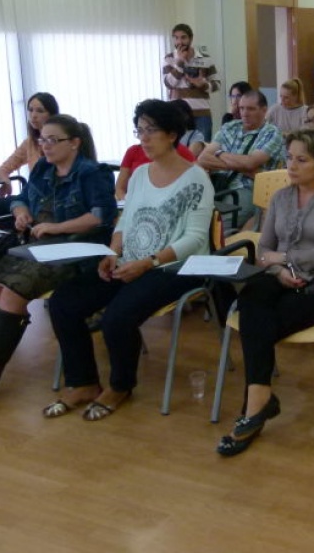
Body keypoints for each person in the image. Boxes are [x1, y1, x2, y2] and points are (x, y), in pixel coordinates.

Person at [43, 100, 214, 421]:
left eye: (151, 131)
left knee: (117, 317)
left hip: (176, 267)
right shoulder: (139, 176)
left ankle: (120, 385)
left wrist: (147, 263)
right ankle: (82, 383)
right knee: (64, 302)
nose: (144, 139)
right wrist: (113, 252)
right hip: (130, 261)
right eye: (140, 131)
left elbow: (194, 239)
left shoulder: (196, 178)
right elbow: (125, 221)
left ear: (172, 134)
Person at [0, 114, 117, 396]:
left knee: (11, 293)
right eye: (42, 140)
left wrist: (56, 226)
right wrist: (20, 212)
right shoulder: (42, 169)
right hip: (39, 245)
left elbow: (101, 217)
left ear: (74, 143)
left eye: (53, 140)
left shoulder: (92, 173)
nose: (45, 146)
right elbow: (21, 198)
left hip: (76, 249)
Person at [213, 129, 314, 456]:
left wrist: (287, 260)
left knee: (257, 322)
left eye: (301, 159)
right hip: (280, 277)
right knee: (251, 296)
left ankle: (256, 404)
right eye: (290, 157)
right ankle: (259, 401)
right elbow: (264, 250)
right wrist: (280, 270)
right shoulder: (280, 197)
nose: (291, 165)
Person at [198, 90, 285, 231]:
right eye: (242, 108)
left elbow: (251, 162)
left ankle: (225, 249)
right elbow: (203, 158)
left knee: (219, 230)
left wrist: (219, 153)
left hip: (247, 188)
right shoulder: (230, 127)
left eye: (251, 109)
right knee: (196, 219)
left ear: (264, 110)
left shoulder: (271, 132)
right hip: (218, 184)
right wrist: (242, 165)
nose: (245, 113)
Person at [0, 92, 59, 200]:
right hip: (34, 197)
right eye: (30, 110)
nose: (33, 115)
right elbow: (2, 170)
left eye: (40, 111)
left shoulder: (60, 140)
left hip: (52, 197)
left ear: (52, 115)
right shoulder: (30, 142)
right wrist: (6, 182)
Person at [161, 23, 220, 137]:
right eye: (176, 38)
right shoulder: (169, 58)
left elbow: (217, 84)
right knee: (180, 150)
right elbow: (168, 83)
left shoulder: (204, 58)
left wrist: (204, 84)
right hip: (177, 113)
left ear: (191, 38)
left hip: (202, 113)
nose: (180, 42)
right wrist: (180, 62)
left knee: (202, 149)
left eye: (183, 37)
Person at [115, 124, 197, 201]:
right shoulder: (133, 151)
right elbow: (119, 188)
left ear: (170, 135)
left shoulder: (181, 151)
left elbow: (195, 183)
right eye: (140, 131)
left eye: (150, 130)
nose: (144, 137)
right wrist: (128, 201)